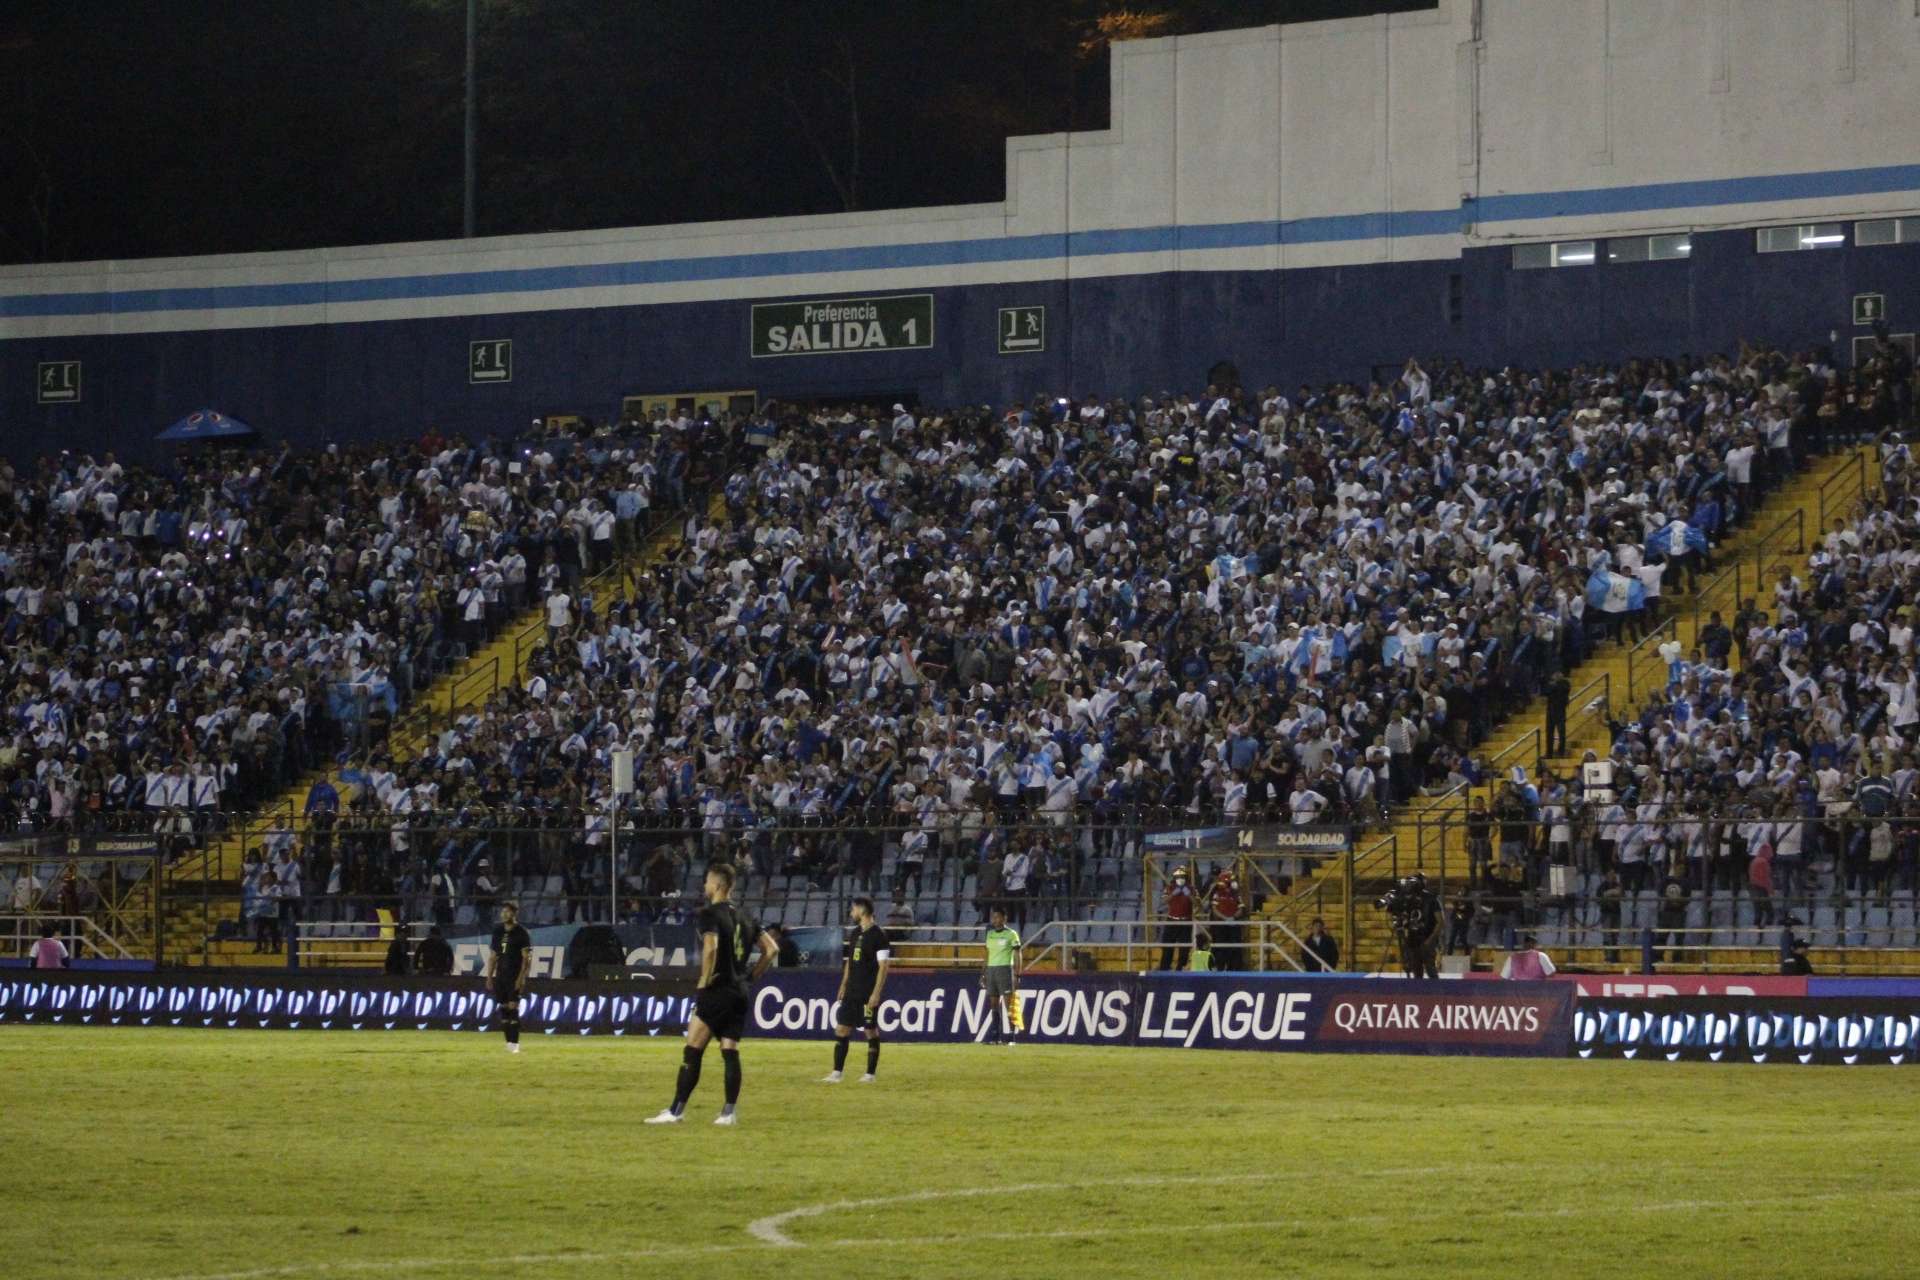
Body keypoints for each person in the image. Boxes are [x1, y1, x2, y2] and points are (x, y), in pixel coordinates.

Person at [647, 863, 775, 1125]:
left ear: (717, 885)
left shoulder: (709, 914)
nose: (705, 885)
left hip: (717, 989)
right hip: (740, 992)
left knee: (692, 1050)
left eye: (707, 881)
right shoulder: (747, 916)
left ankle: (675, 1111)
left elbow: (711, 949)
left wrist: (704, 981)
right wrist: (750, 977)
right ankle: (728, 1113)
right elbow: (771, 950)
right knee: (730, 1050)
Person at [821, 896, 891, 1084]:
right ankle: (837, 1072)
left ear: (862, 910)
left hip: (867, 992)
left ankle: (870, 1074)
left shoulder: (879, 935)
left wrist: (876, 993)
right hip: (852, 991)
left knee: (870, 1030)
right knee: (842, 1028)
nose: (851, 913)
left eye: (853, 909)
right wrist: (843, 985)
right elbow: (850, 963)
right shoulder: (854, 934)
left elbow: (883, 966)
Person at [484, 902, 532, 1054]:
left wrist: (521, 978)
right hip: (501, 976)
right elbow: (493, 957)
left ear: (514, 914)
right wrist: (489, 977)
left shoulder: (521, 932)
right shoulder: (498, 931)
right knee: (503, 1009)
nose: (504, 914)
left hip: (514, 975)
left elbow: (526, 958)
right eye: (503, 911)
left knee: (513, 1008)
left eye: (508, 912)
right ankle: (509, 1044)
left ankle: (515, 1043)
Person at [981, 905, 1021, 1045]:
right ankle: (995, 1036)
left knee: (1008, 1005)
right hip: (991, 971)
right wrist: (983, 973)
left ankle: (1011, 1037)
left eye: (998, 917)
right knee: (993, 1004)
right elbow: (987, 954)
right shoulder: (990, 934)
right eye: (993, 917)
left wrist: (1017, 973)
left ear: (1005, 918)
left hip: (1005, 970)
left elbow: (1017, 954)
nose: (995, 919)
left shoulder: (1011, 934)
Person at [1158, 866, 1193, 971]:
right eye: (1178, 877)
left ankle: (1180, 967)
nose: (1180, 878)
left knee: (1185, 947)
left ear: (1186, 877)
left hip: (1186, 921)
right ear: (1174, 878)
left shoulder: (1191, 888)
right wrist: (1173, 894)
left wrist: (1189, 894)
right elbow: (1164, 901)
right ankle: (1164, 967)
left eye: (1182, 876)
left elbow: (1197, 904)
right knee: (1167, 945)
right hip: (1172, 920)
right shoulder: (1169, 888)